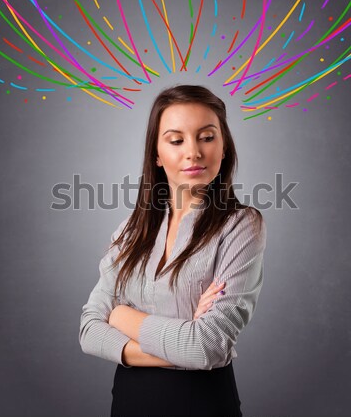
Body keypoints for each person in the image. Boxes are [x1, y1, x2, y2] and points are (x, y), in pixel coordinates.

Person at [79, 84, 267, 416]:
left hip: (203, 405)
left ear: (224, 148)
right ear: (156, 153)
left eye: (207, 137)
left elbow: (208, 345)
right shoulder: (130, 230)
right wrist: (185, 345)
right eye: (176, 140)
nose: (193, 152)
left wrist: (121, 316)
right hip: (128, 403)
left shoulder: (242, 225)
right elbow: (89, 331)